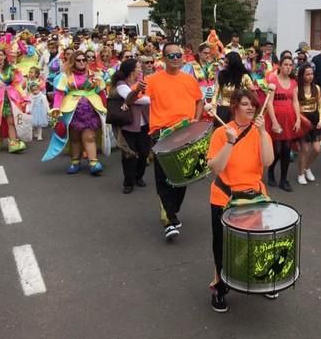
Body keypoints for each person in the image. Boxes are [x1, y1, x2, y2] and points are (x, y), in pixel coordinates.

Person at [207, 89, 274, 312]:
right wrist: (229, 143)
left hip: (254, 197)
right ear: (235, 106)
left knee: (258, 242)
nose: (251, 108)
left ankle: (261, 279)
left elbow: (267, 161)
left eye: (253, 104)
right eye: (245, 104)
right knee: (223, 245)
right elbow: (216, 168)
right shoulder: (221, 133)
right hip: (224, 198)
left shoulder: (260, 132)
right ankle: (221, 287)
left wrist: (264, 133)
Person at [145, 43, 204, 241]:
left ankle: (172, 210)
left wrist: (196, 118)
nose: (176, 58)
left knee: (183, 176)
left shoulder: (189, 80)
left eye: (178, 55)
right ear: (163, 58)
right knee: (163, 177)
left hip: (185, 132)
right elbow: (136, 99)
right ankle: (168, 220)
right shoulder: (152, 80)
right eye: (171, 56)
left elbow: (199, 100)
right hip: (161, 133)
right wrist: (134, 93)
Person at [42, 50, 108, 174]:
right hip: (72, 110)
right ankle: (75, 161)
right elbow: (59, 93)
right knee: (75, 137)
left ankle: (93, 162)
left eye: (84, 60)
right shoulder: (65, 76)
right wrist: (56, 108)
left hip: (91, 109)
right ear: (73, 61)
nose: (82, 62)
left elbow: (101, 92)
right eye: (79, 60)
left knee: (90, 136)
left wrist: (106, 107)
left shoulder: (95, 75)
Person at [111, 59, 151, 194]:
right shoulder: (121, 84)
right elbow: (134, 98)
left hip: (144, 123)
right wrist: (155, 98)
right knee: (129, 155)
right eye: (138, 67)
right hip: (129, 124)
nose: (141, 69)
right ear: (131, 69)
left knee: (144, 152)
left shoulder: (142, 82)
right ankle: (128, 182)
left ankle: (138, 177)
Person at [0, 46, 28, 153]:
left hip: (9, 98)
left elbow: (17, 84)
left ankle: (13, 142)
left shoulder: (12, 69)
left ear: (4, 57)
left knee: (10, 121)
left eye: (1, 55)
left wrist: (23, 96)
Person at [266, 55, 301, 191]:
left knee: (287, 150)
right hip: (276, 118)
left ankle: (283, 179)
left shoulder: (293, 82)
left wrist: (298, 119)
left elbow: (295, 102)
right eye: (285, 64)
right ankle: (270, 171)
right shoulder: (273, 81)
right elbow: (269, 103)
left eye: (290, 65)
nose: (288, 67)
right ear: (280, 66)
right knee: (276, 150)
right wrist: (274, 122)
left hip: (289, 119)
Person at [211, 52, 255, 127]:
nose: (224, 64)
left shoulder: (244, 77)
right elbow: (215, 93)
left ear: (234, 63)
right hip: (223, 110)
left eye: (227, 62)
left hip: (239, 109)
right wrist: (213, 108)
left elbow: (252, 93)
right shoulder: (221, 75)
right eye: (224, 61)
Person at [296, 63, 321, 185]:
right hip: (303, 121)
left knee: (317, 149)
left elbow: (320, 105)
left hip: (315, 119)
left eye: (312, 74)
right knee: (305, 149)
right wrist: (301, 119)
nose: (310, 76)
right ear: (302, 75)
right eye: (307, 74)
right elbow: (295, 108)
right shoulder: (297, 89)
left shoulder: (316, 88)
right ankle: (301, 173)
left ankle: (307, 167)